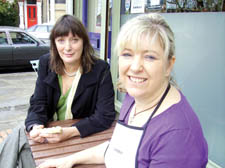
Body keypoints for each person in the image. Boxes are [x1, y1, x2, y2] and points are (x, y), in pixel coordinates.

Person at [38, 13, 208, 168]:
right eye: (127, 54)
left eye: (149, 57)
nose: (135, 67)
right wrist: (69, 159)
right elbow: (118, 148)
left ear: (169, 65)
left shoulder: (178, 136)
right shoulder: (135, 98)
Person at [0, 14, 115, 168]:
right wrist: (35, 126)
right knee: (21, 135)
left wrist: (69, 132)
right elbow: (38, 103)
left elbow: (105, 115)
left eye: (74, 40)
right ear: (54, 43)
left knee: (19, 142)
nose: (67, 47)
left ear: (84, 43)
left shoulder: (100, 69)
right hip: (49, 133)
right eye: (61, 40)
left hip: (82, 137)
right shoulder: (46, 63)